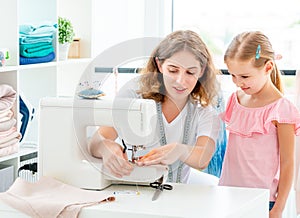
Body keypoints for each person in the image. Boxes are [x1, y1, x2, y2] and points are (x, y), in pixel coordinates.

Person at [88, 30, 222, 183]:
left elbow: (202, 159)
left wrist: (180, 150)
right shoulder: (135, 99)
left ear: (202, 71)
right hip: (131, 188)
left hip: (175, 196)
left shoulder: (204, 112)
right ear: (159, 65)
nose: (180, 80)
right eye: (173, 70)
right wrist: (106, 148)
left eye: (190, 72)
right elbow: (95, 143)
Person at [218, 31, 300, 217]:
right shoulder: (235, 99)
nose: (238, 83)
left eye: (245, 77)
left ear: (268, 67)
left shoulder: (282, 109)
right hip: (227, 193)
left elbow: (288, 163)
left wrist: (278, 208)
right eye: (233, 75)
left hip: (263, 199)